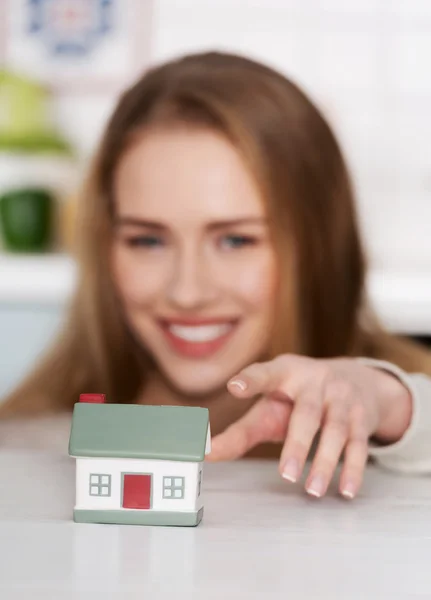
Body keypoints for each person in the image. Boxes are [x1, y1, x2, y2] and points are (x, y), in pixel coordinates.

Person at [1, 51, 431, 500]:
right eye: (148, 241)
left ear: (318, 247)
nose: (187, 292)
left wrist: (391, 404)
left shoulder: (398, 414)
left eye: (236, 241)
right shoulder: (28, 445)